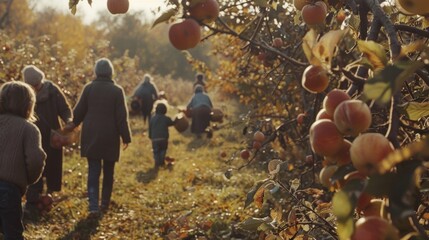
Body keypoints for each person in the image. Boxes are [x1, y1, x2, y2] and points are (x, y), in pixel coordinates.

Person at [65, 58, 131, 214]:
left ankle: (93, 205)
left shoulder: (89, 88)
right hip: (110, 136)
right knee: (109, 172)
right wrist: (126, 137)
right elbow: (121, 117)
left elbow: (79, 112)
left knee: (93, 170)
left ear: (96, 71)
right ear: (111, 72)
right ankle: (105, 204)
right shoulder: (117, 91)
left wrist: (70, 126)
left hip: (92, 135)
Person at [21, 65, 73, 213]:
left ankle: (48, 198)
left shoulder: (52, 90)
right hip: (33, 136)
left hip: (53, 136)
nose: (35, 88)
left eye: (37, 85)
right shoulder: (25, 94)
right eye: (32, 86)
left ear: (41, 81)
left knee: (53, 167)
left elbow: (64, 108)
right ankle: (33, 201)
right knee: (34, 165)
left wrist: (68, 120)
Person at [0, 81, 46, 239]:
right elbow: (35, 160)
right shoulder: (29, 129)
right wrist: (27, 179)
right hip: (8, 190)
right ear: (28, 104)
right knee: (12, 233)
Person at [149, 102, 175, 170]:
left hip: (154, 138)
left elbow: (150, 128)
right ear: (165, 110)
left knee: (156, 151)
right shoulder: (165, 118)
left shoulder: (152, 118)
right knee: (163, 150)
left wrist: (150, 136)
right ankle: (161, 161)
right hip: (164, 138)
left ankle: (157, 162)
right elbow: (172, 123)